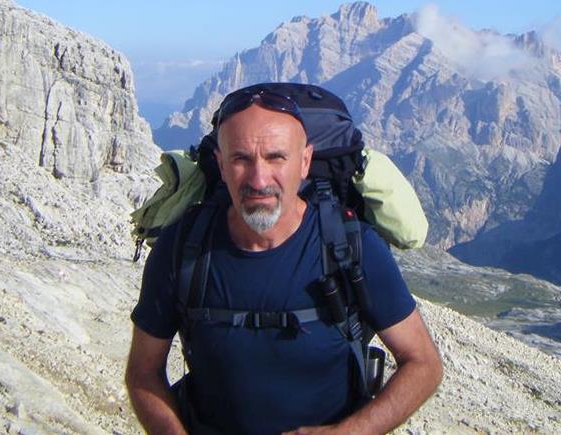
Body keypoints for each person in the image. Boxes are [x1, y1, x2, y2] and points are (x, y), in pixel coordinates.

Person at [125, 87, 443, 434]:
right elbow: (143, 372)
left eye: (276, 157)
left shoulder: (351, 246)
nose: (259, 180)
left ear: (305, 162)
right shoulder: (182, 247)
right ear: (220, 162)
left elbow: (424, 364)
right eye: (241, 158)